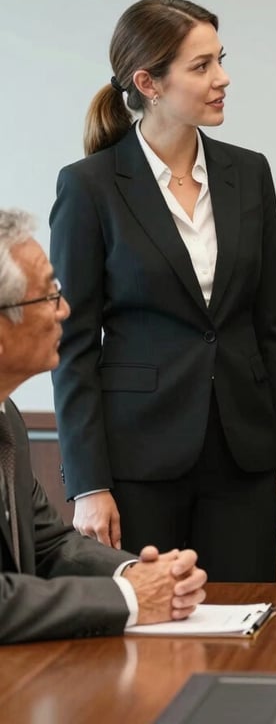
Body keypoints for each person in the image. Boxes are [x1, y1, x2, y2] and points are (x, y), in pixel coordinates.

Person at [49, 0, 276, 582]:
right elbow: (70, 346)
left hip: (243, 457)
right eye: (201, 66)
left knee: (246, 632)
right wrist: (88, 482)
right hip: (134, 464)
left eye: (220, 60)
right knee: (142, 645)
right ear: (148, 82)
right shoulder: (90, 186)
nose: (222, 79)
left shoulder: (250, 173)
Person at [0, 209, 207, 643]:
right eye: (48, 296)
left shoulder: (8, 419)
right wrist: (130, 599)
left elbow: (50, 543)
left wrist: (139, 572)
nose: (66, 310)